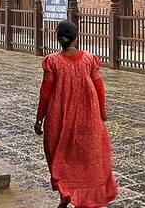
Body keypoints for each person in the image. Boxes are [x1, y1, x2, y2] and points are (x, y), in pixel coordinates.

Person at [35, 20, 117, 208]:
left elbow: (45, 93)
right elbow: (99, 87)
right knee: (85, 156)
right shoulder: (89, 60)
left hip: (58, 116)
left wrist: (39, 119)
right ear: (76, 38)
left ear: (59, 40)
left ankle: (65, 194)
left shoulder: (52, 62)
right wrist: (102, 112)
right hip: (88, 116)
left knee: (60, 155)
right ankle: (82, 196)